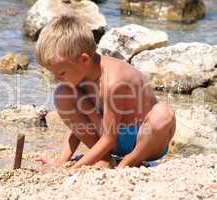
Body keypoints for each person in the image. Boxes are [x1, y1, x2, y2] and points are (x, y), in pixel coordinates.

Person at [35, 15, 176, 169]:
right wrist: (60, 163)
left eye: (61, 73)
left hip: (145, 139)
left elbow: (109, 139)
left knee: (163, 114)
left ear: (84, 59)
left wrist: (74, 168)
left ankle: (128, 162)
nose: (56, 78)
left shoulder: (114, 81)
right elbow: (76, 129)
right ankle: (105, 159)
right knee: (63, 94)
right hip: (109, 138)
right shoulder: (80, 76)